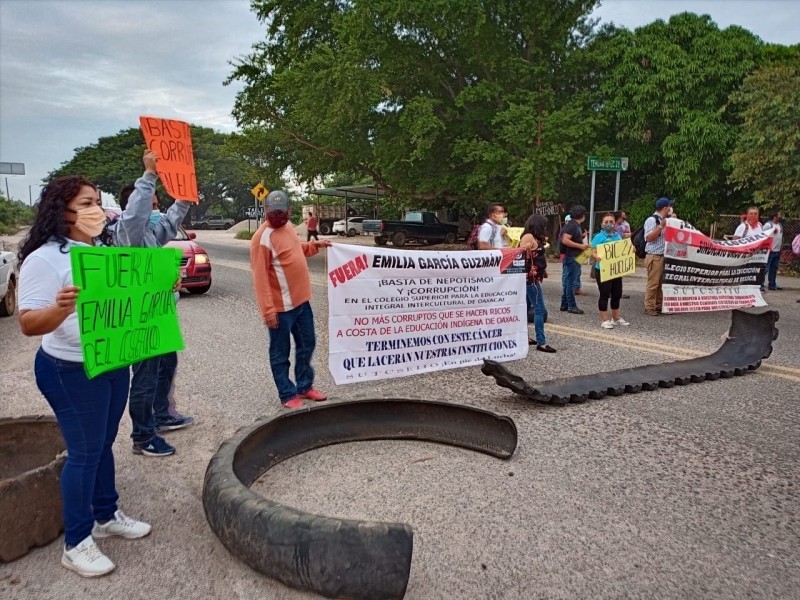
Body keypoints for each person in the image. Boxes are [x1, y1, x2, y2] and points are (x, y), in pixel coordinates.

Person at [18, 176, 151, 578]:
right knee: (85, 453)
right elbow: (28, 323)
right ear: (62, 210)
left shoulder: (101, 251)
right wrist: (60, 309)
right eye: (86, 204)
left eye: (98, 202)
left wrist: (161, 288)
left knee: (103, 443)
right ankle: (76, 542)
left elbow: (125, 302)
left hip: (111, 362)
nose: (96, 211)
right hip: (69, 369)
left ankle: (105, 514)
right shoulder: (45, 258)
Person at [112, 150, 194, 457]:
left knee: (167, 364)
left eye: (157, 204)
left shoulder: (150, 233)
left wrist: (185, 195)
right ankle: (143, 436)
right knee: (145, 379)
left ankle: (161, 415)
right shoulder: (128, 234)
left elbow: (171, 221)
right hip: (139, 321)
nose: (157, 210)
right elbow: (135, 215)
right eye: (152, 205)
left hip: (158, 317)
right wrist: (149, 175)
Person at [251, 190, 331, 408]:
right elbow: (260, 278)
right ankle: (287, 394)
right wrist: (268, 310)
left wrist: (316, 245)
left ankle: (304, 386)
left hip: (301, 303)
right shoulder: (261, 239)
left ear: (289, 210)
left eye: (282, 212)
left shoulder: (287, 228)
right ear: (266, 211)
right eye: (273, 212)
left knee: (308, 344)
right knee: (280, 352)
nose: (278, 216)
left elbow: (295, 250)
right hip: (280, 309)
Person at [520, 214, 555, 353]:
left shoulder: (535, 237)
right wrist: (526, 248)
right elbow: (521, 254)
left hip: (535, 277)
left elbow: (538, 255)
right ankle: (541, 342)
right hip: (530, 279)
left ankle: (525, 337)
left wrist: (543, 270)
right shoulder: (528, 236)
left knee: (526, 307)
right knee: (539, 308)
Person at [591, 213, 630, 329]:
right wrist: (596, 256)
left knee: (617, 294)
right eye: (606, 222)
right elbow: (592, 251)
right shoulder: (598, 237)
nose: (609, 224)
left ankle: (616, 318)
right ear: (602, 224)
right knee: (604, 294)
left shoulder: (618, 236)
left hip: (615, 270)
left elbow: (621, 250)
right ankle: (604, 319)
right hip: (602, 270)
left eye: (611, 222)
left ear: (615, 223)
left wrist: (630, 249)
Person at [643, 197, 675, 316]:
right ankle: (649, 307)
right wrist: (661, 226)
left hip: (663, 256)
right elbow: (649, 238)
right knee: (653, 283)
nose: (671, 209)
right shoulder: (652, 220)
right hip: (654, 256)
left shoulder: (666, 219)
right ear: (665, 208)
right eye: (670, 207)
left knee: (661, 283)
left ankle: (658, 305)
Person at [559, 205, 589, 314]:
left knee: (568, 281)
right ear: (582, 215)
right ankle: (571, 305)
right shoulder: (572, 225)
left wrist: (581, 238)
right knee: (571, 282)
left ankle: (565, 304)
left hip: (572, 256)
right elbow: (565, 240)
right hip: (572, 256)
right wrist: (580, 246)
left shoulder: (573, 225)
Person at [761, 210, 783, 291]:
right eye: (779, 214)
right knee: (765, 269)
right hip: (769, 251)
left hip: (777, 250)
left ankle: (772, 284)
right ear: (775, 216)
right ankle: (760, 285)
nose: (780, 216)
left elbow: (780, 236)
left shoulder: (780, 225)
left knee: (774, 269)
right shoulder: (768, 225)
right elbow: (762, 236)